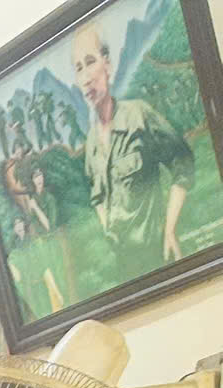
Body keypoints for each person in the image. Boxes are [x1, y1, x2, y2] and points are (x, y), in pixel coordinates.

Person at [75, 22, 190, 269]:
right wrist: (108, 229)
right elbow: (97, 198)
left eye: (90, 62)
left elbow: (183, 162)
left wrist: (170, 228)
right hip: (124, 267)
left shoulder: (139, 115)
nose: (85, 78)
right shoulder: (91, 144)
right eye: (78, 68)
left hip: (158, 256)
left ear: (108, 65)